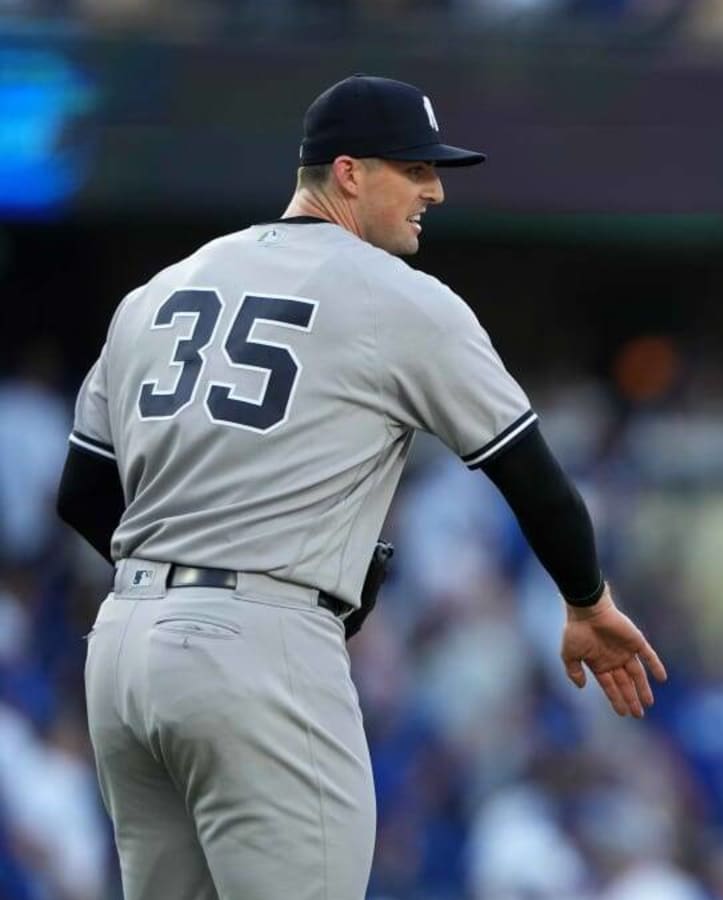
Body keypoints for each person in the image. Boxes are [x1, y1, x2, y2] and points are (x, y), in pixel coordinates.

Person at [54, 74, 667, 900]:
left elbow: (83, 492)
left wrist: (179, 575)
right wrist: (588, 601)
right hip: (258, 648)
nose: (435, 189)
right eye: (415, 169)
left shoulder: (161, 290)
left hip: (124, 649)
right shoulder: (397, 298)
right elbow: (531, 472)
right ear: (348, 173)